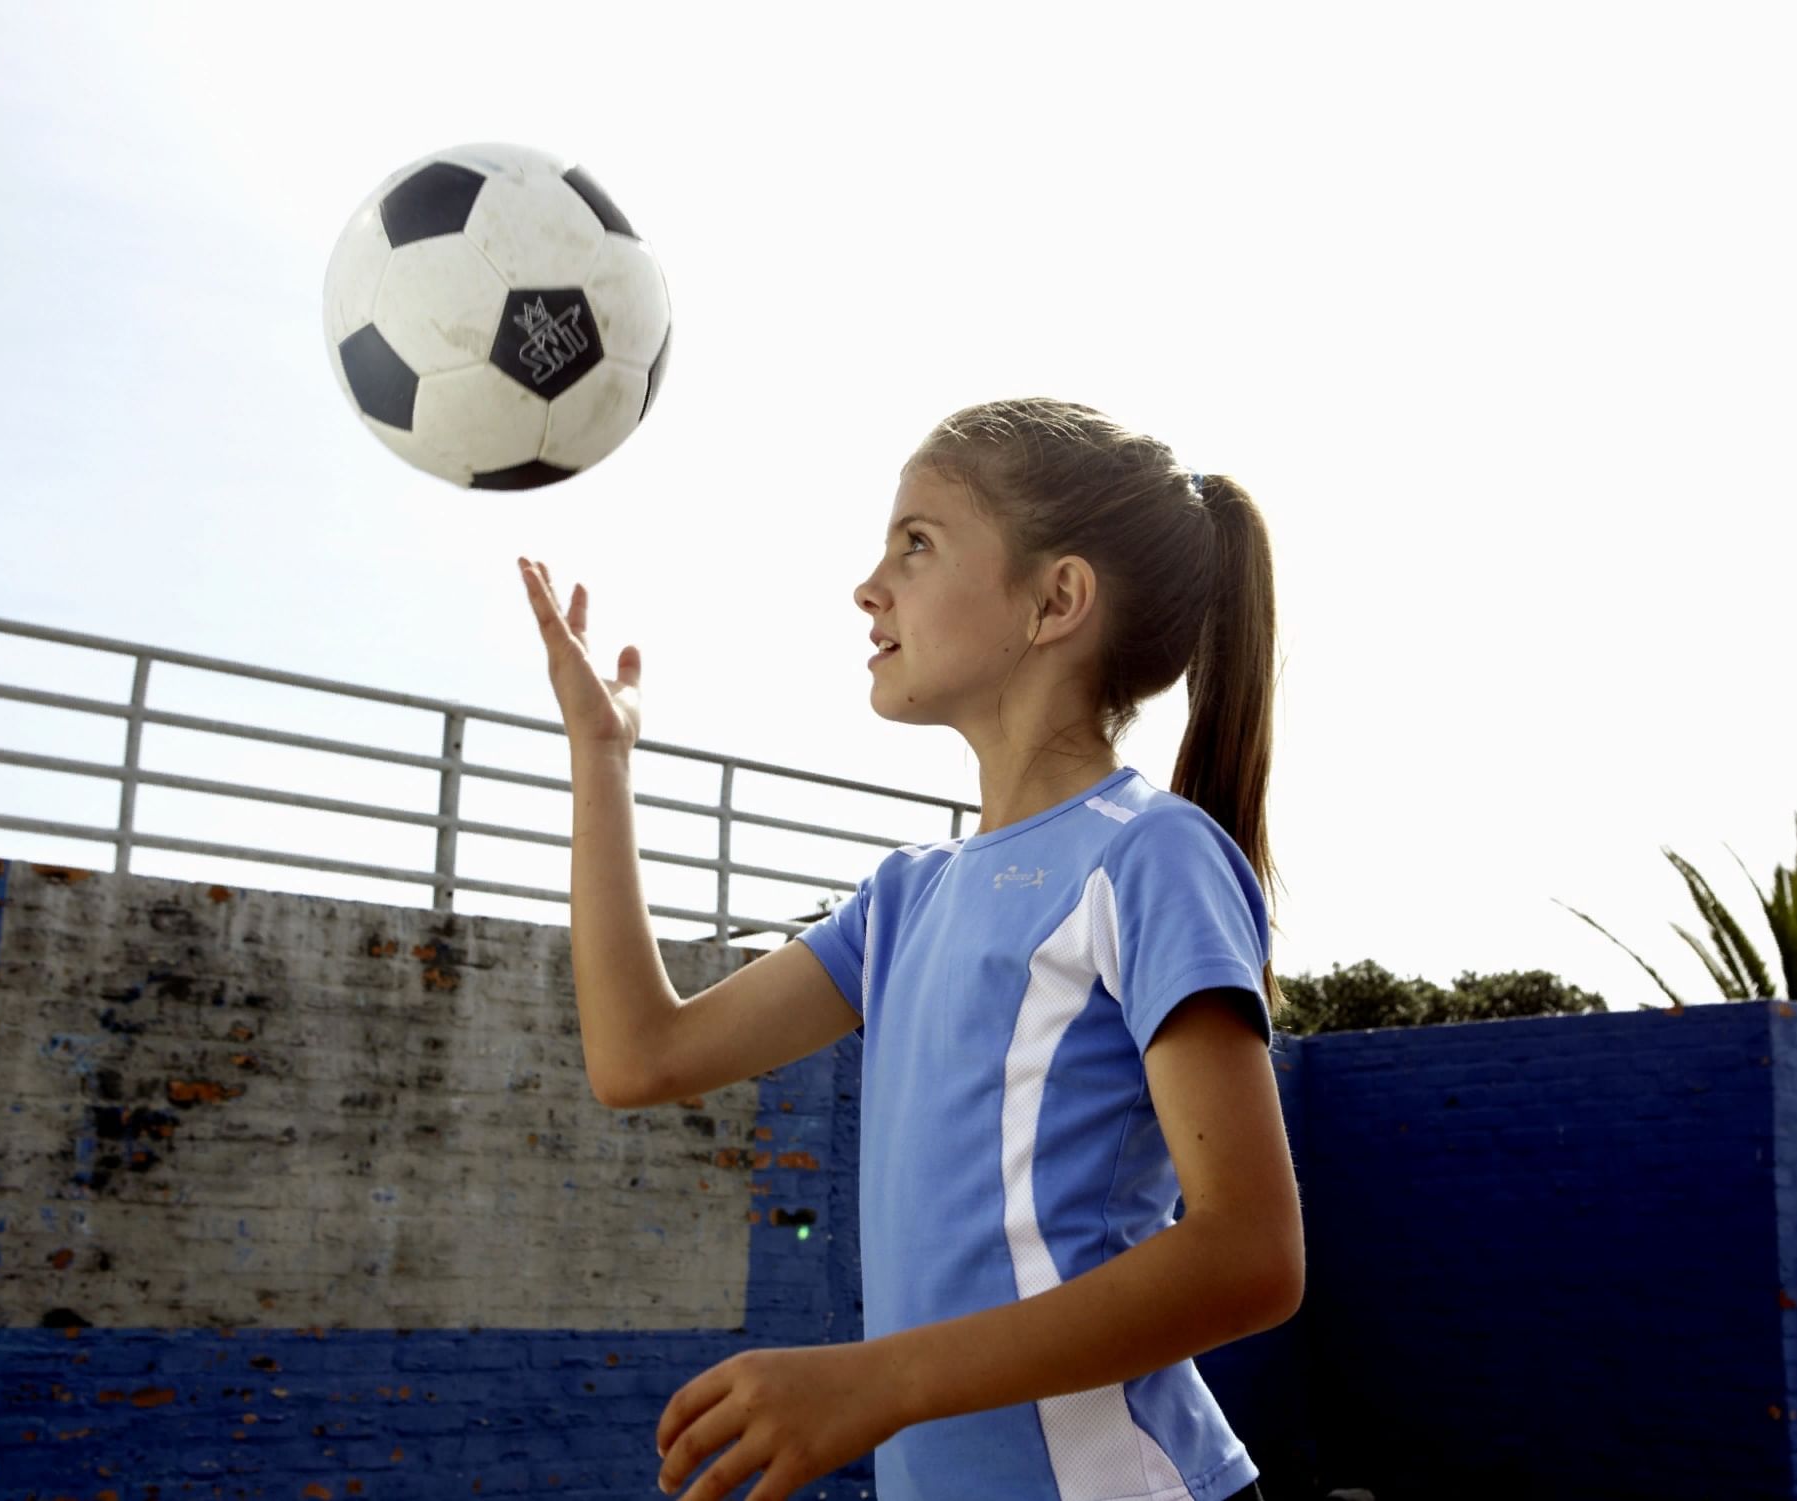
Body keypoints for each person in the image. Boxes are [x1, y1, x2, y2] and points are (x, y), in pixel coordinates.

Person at [518, 396, 1302, 1501]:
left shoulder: (1149, 856)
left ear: (1056, 599)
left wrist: (877, 1382)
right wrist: (602, 758)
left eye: (917, 544)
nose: (868, 584)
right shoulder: (901, 899)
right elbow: (640, 1055)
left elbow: (1251, 1255)